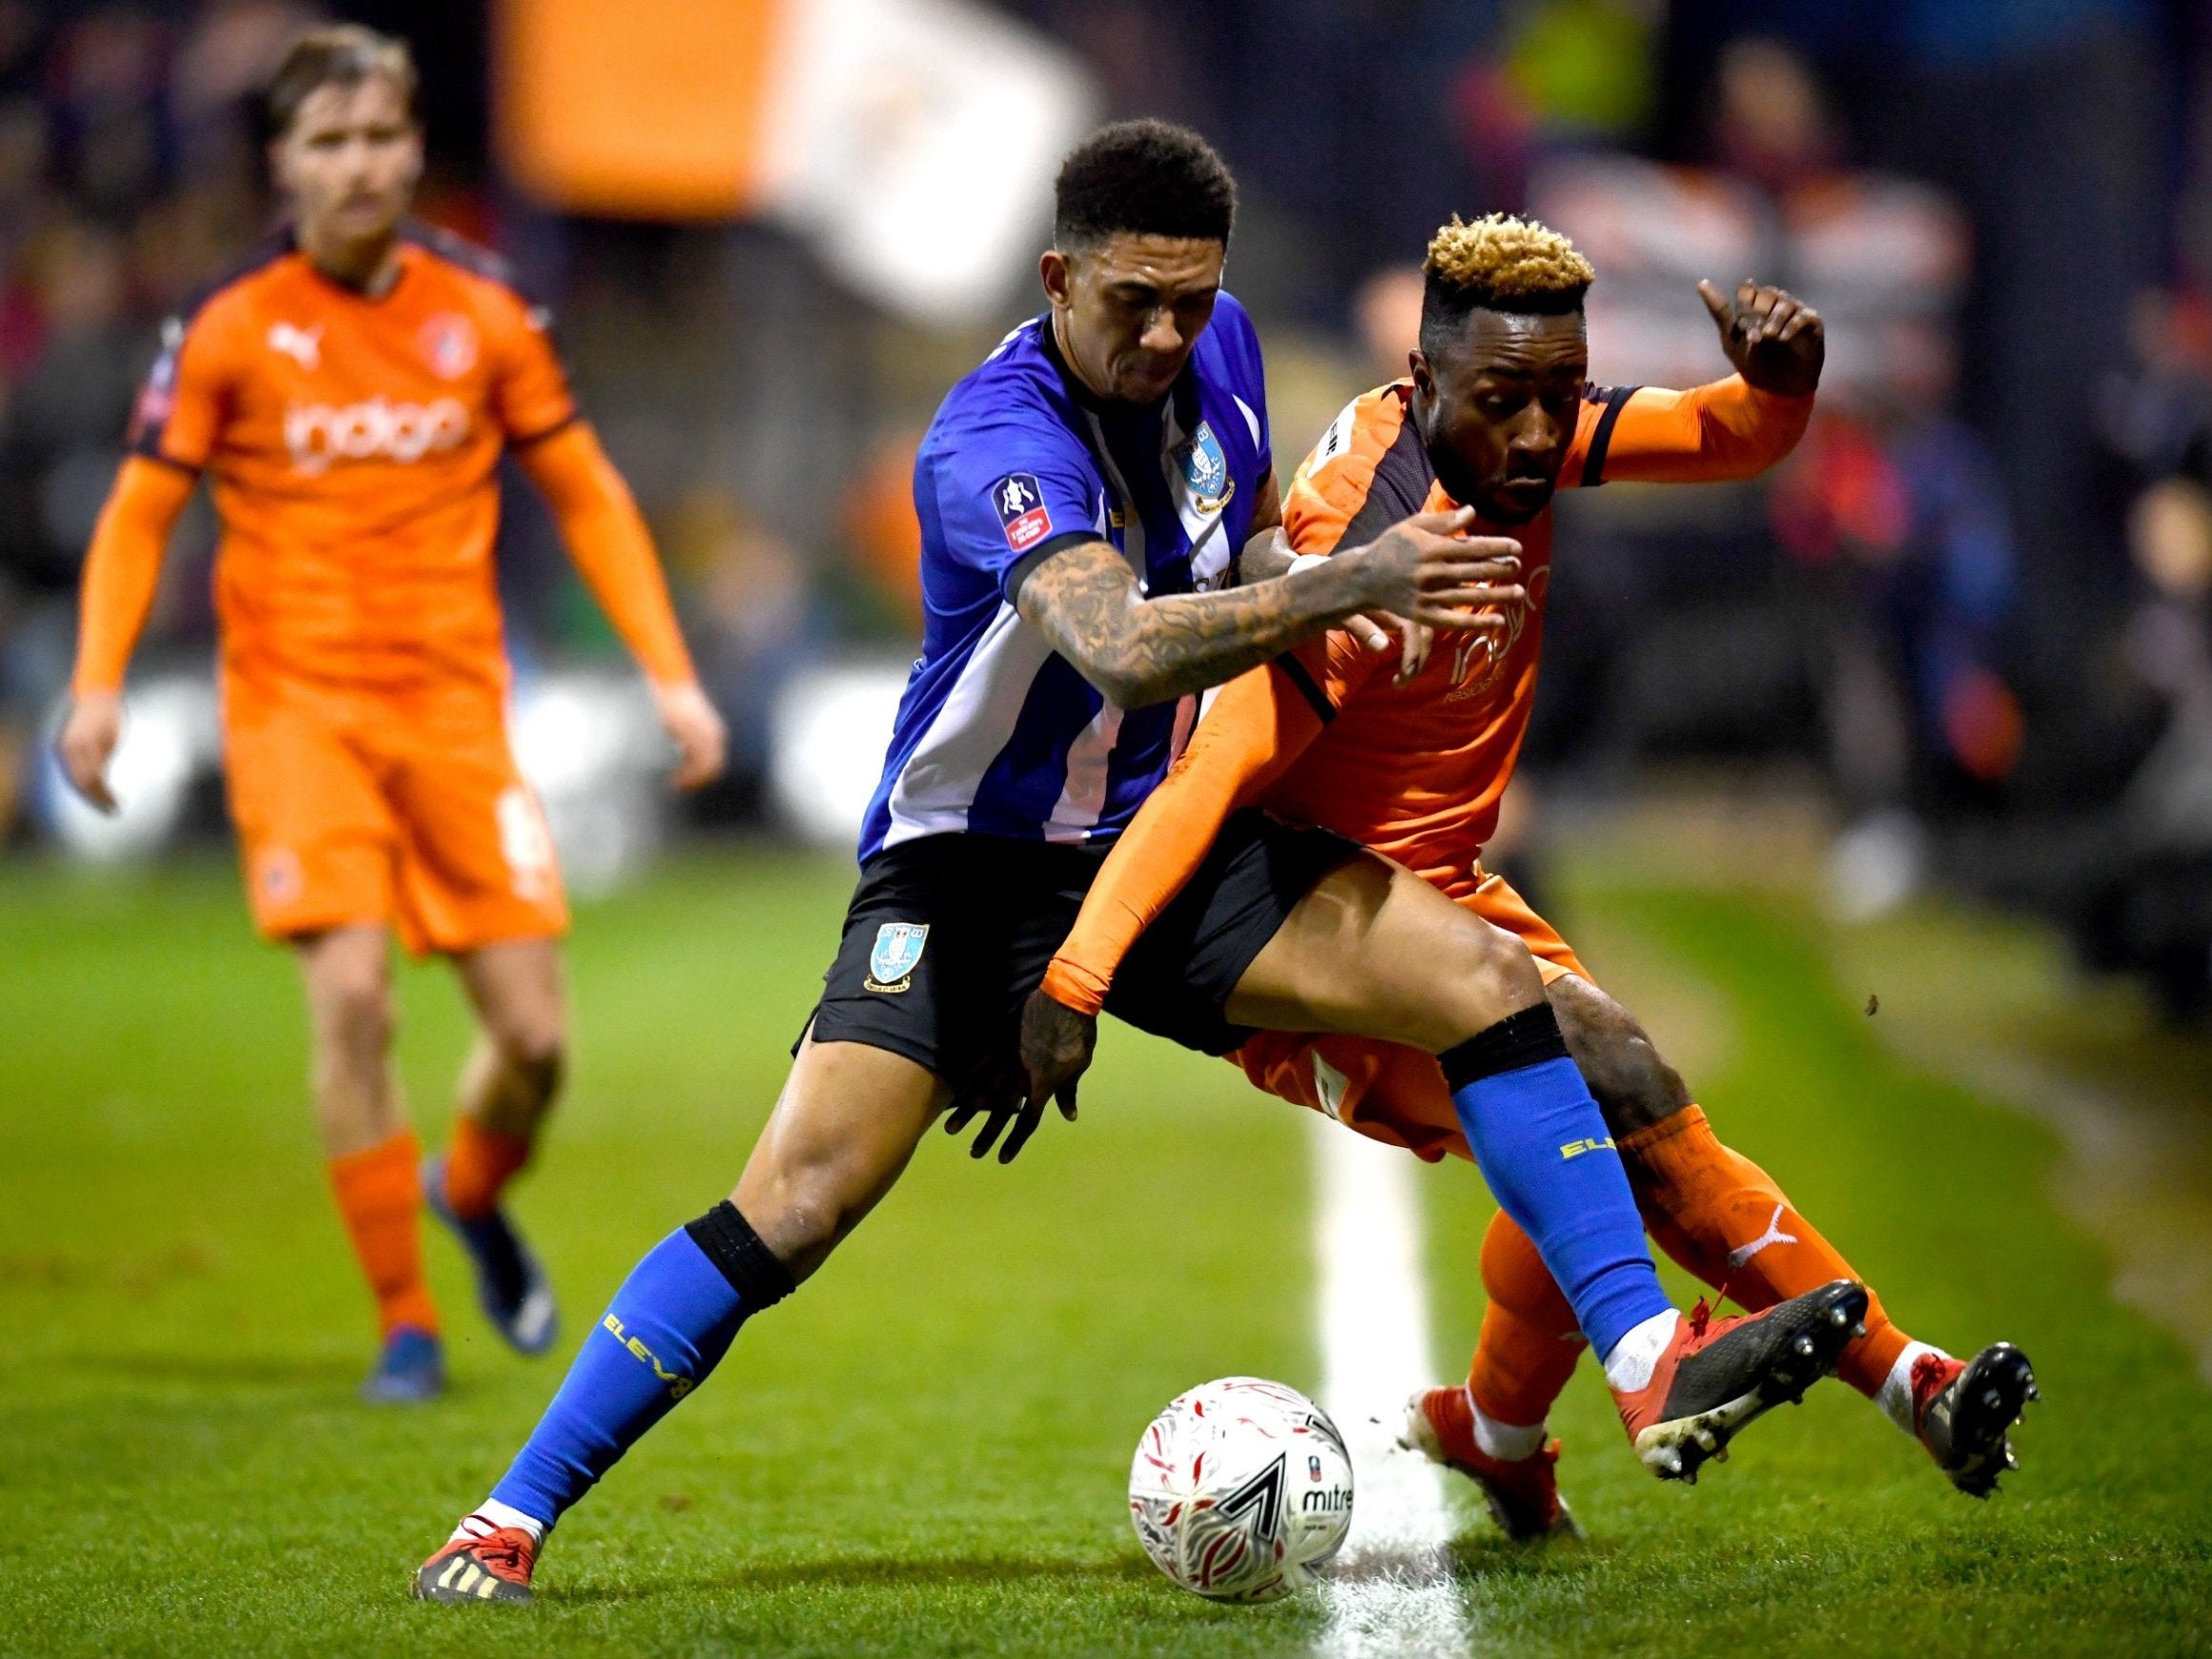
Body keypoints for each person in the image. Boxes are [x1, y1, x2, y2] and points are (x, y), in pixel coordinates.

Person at [415, 124, 1864, 1606]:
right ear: (1058, 278)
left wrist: (1295, 586)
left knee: (1493, 977)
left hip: (1169, 842)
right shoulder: (994, 441)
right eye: (1133, 303)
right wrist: (1348, 586)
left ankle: (1643, 1364)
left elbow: (1226, 558)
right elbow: (1112, 643)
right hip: (966, 878)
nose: (1169, 333)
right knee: (794, 1204)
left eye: (1192, 298)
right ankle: (507, 1518)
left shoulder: (1218, 348)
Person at [1024, 213, 2036, 1539]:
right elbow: (1210, 775)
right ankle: (1836, 1377)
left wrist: (1782, 382)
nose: (1545, 438)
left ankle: (1503, 1434)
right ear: (1426, 380)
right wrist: (1079, 977)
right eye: (1508, 404)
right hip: (1314, 931)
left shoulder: (1524, 426)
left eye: (1566, 396)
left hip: (1441, 888)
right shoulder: (1368, 544)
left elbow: (1729, 435)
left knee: (1607, 1115)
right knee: (1612, 1076)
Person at [55, 26, 726, 1403]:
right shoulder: (231, 327)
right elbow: (138, 512)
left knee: (536, 1046)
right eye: (330, 142)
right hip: (297, 713)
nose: (360, 166)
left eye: (380, 138)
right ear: (283, 164)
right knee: (352, 999)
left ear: (416, 148)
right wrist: (97, 685)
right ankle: (406, 1323)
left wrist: (671, 673)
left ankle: (469, 1194)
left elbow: (587, 492)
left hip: (458, 715)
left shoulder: (483, 310)